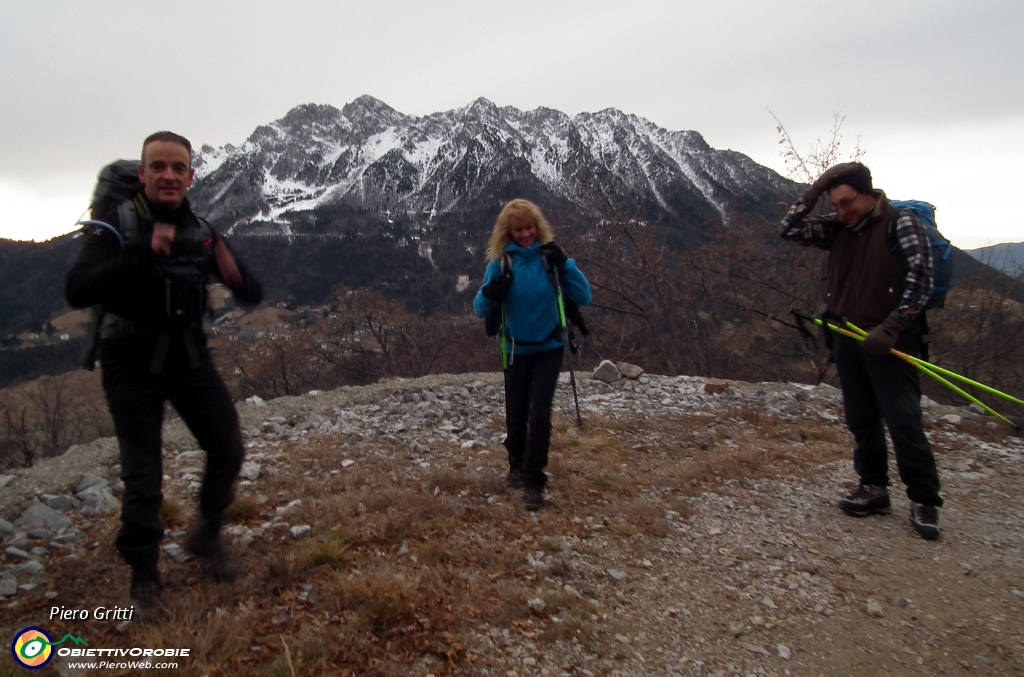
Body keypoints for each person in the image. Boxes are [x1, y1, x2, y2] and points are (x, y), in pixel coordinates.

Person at [65, 131, 263, 611]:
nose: (169, 175)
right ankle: (144, 574)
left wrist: (235, 275)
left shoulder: (203, 229)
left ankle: (206, 534)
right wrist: (138, 255)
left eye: (178, 167)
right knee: (143, 475)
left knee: (228, 447)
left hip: (189, 355)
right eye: (159, 167)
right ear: (143, 173)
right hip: (129, 362)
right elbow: (77, 289)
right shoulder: (115, 225)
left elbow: (251, 291)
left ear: (192, 175)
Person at [779, 162, 943, 540]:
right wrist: (816, 190)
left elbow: (922, 281)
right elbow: (789, 229)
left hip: (890, 341)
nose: (842, 211)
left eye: (847, 202)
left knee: (902, 419)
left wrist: (892, 327)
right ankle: (873, 488)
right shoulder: (839, 229)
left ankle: (925, 499)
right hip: (846, 334)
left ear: (868, 193)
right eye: (836, 205)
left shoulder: (901, 223)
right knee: (861, 417)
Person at [473, 199, 591, 511]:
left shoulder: (551, 259)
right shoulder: (499, 264)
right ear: (507, 233)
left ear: (537, 227)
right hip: (515, 349)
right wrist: (489, 292)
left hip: (549, 347)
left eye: (529, 227)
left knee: (539, 415)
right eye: (518, 229)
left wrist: (566, 263)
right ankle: (516, 464)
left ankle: (534, 479)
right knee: (517, 412)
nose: (525, 234)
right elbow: (479, 308)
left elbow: (584, 296)